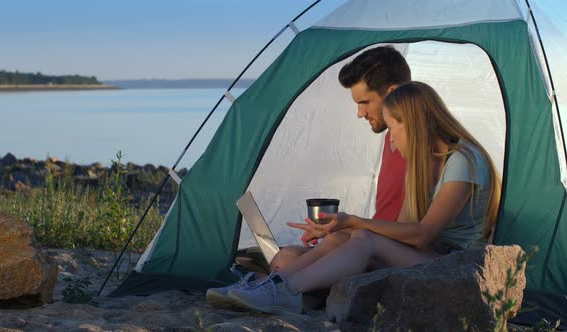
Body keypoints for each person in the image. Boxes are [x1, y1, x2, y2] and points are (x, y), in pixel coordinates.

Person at [224, 81, 502, 315]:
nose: (392, 141)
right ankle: (273, 285)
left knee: (363, 239)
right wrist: (342, 228)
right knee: (330, 243)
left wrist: (355, 222)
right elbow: (402, 233)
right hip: (428, 258)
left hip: (459, 267)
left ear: (413, 125)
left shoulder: (464, 160)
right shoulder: (424, 166)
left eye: (393, 129)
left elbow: (422, 236)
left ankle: (288, 291)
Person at [206, 46, 410, 309]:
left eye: (364, 102)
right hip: (370, 243)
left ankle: (274, 289)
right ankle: (276, 290)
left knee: (311, 253)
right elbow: (386, 221)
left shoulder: (416, 144)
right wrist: (338, 226)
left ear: (392, 93)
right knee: (286, 256)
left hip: (383, 251)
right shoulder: (391, 138)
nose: (360, 113)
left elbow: (411, 230)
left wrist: (348, 227)